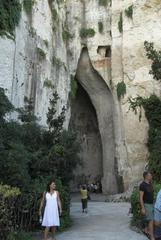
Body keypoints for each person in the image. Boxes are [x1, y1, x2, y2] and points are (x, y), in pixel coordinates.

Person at [139, 171, 155, 240]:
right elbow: (140, 197)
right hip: (146, 205)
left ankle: (146, 230)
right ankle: (152, 237)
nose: (151, 176)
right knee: (151, 220)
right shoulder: (142, 185)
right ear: (146, 176)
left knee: (150, 220)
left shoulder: (150, 184)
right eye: (150, 175)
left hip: (151, 204)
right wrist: (142, 208)